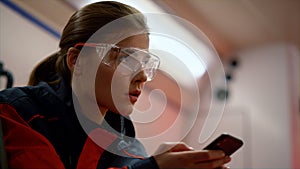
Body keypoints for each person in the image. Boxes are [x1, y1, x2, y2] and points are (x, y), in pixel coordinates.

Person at [0, 1, 231, 169]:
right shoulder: (17, 111)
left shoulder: (125, 142)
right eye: (127, 59)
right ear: (76, 60)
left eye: (145, 63)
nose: (141, 76)